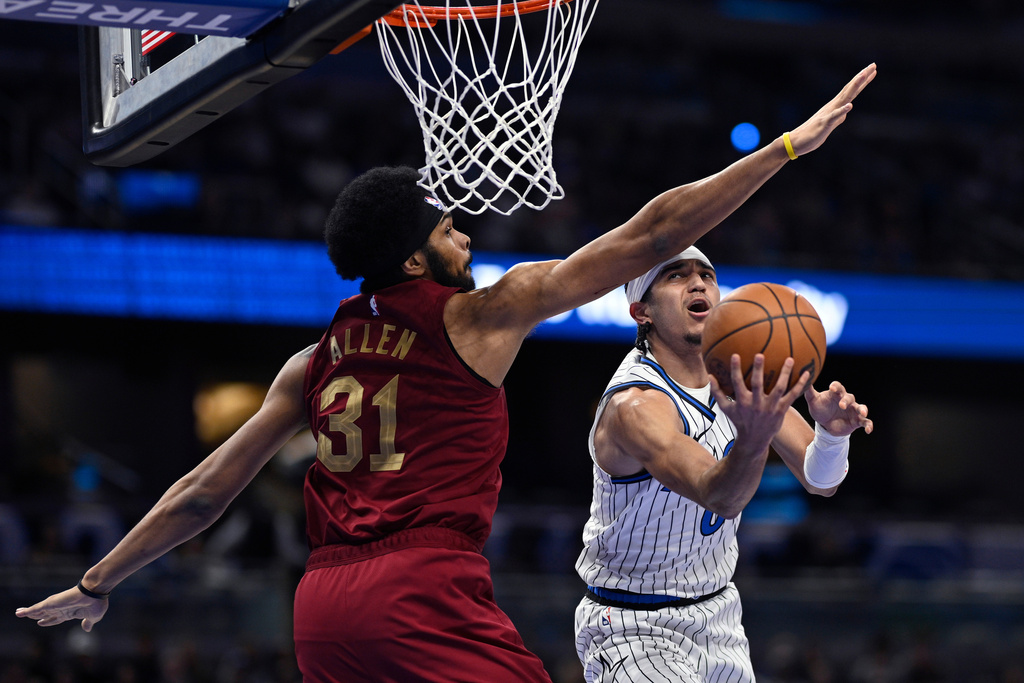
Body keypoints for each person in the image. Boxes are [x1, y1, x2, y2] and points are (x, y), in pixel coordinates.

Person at [16, 63, 877, 682]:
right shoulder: (481, 315)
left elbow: (205, 491)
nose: (461, 224)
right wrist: (786, 149)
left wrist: (100, 583)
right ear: (412, 252)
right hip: (419, 591)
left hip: (320, 610)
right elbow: (651, 234)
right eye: (444, 220)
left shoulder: (311, 362)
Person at [573, 244, 874, 683]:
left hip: (719, 616)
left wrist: (832, 435)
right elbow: (719, 495)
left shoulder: (743, 376)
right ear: (643, 312)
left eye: (706, 275)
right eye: (676, 275)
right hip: (632, 625)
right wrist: (753, 440)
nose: (698, 283)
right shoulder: (635, 406)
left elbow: (820, 481)